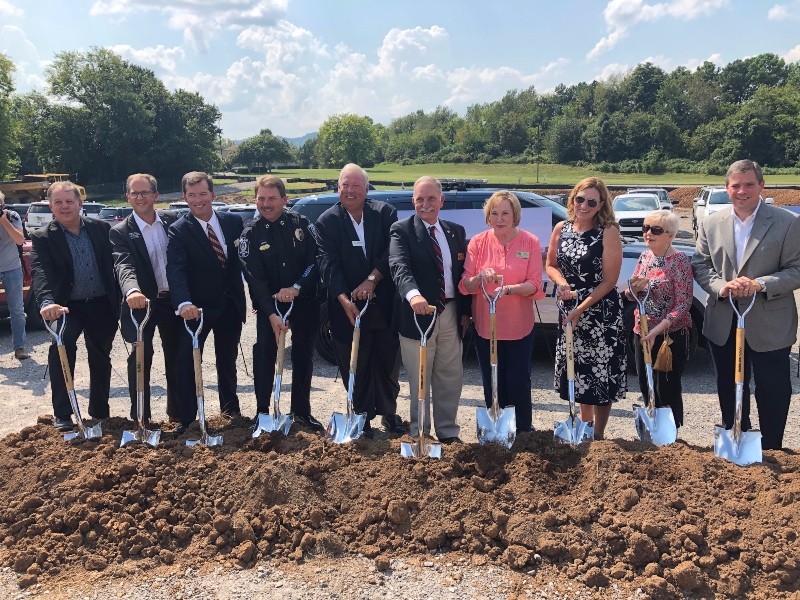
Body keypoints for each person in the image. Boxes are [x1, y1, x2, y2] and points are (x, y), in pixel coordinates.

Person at [692, 159, 800, 451]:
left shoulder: (787, 222)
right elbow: (701, 265)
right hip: (724, 320)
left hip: (769, 323)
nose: (743, 191)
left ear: (761, 186)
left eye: (749, 184)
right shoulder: (711, 223)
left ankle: (771, 448)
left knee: (772, 389)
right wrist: (720, 287)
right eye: (736, 185)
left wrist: (760, 284)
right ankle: (737, 440)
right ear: (727, 189)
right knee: (729, 385)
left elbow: (796, 269)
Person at [314, 163, 404, 437]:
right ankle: (361, 416)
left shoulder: (384, 213)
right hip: (346, 308)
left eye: (356, 186)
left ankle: (389, 413)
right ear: (338, 187)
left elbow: (391, 252)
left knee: (387, 363)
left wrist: (372, 280)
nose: (350, 191)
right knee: (355, 363)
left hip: (383, 303)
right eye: (345, 185)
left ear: (366, 188)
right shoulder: (327, 221)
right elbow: (327, 264)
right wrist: (344, 300)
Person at [31, 181, 120, 431]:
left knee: (100, 356)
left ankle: (99, 411)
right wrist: (47, 302)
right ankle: (63, 414)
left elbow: (117, 264)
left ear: (80, 203)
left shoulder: (101, 229)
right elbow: (41, 273)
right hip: (66, 307)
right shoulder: (43, 237)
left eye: (69, 201)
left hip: (102, 304)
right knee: (61, 347)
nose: (64, 206)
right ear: (51, 207)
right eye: (58, 202)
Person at [238, 175, 324, 431]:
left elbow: (316, 259)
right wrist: (270, 312)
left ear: (284, 200)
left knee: (302, 355)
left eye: (272, 198)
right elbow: (254, 278)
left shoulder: (302, 224)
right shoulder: (249, 235)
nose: (266, 204)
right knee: (265, 353)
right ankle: (263, 412)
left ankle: (301, 411)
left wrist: (297, 287)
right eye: (261, 198)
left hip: (304, 300)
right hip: (270, 306)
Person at [545, 177, 626, 440]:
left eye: (592, 201)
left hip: (600, 314)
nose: (585, 205)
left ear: (601, 204)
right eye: (581, 199)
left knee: (600, 376)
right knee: (578, 372)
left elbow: (609, 280)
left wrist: (581, 309)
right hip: (571, 310)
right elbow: (551, 265)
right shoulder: (561, 228)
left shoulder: (608, 230)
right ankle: (584, 428)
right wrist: (562, 284)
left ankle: (598, 436)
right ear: (573, 198)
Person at [389, 176, 469, 444]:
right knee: (419, 378)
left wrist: (465, 312)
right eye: (420, 199)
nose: (426, 204)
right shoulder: (401, 230)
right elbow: (399, 266)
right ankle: (420, 433)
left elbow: (462, 274)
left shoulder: (455, 231)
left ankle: (447, 432)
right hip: (418, 315)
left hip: (449, 311)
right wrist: (413, 296)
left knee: (450, 377)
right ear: (413, 201)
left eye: (431, 198)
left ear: (441, 201)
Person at [459, 190, 545, 433]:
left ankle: (523, 429)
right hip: (487, 326)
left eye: (505, 213)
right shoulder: (478, 242)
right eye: (494, 213)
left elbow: (536, 285)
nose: (499, 218)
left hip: (519, 325)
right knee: (492, 379)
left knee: (518, 380)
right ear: (488, 217)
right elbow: (465, 284)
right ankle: (497, 428)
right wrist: (479, 277)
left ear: (515, 215)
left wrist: (510, 289)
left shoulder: (530, 241)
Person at [166, 171, 245, 433]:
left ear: (212, 194)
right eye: (192, 195)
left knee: (227, 359)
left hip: (230, 304)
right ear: (184, 198)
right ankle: (189, 420)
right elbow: (175, 269)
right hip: (196, 310)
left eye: (202, 194)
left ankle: (230, 413)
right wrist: (183, 303)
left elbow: (246, 262)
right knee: (188, 362)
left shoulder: (233, 222)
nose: (198, 200)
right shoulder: (179, 230)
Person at [110, 173, 181, 425]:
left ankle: (178, 415)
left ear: (155, 195)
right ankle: (141, 417)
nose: (140, 197)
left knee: (177, 357)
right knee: (141, 357)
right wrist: (132, 291)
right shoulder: (121, 232)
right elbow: (123, 264)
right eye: (134, 193)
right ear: (128, 196)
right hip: (142, 303)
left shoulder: (173, 222)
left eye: (145, 192)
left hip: (173, 301)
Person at [626, 210, 692, 429]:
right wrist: (632, 289)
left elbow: (682, 304)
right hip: (642, 331)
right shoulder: (645, 256)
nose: (648, 234)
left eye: (655, 230)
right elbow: (632, 293)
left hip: (667, 336)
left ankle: (670, 433)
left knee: (667, 386)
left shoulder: (680, 260)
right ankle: (652, 428)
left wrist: (657, 331)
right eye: (645, 228)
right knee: (646, 383)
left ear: (670, 235)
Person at [0, 191, 29, 360]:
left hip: (11, 267)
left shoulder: (12, 216)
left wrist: (3, 220)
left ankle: (20, 347)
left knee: (17, 309)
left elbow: (19, 240)